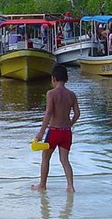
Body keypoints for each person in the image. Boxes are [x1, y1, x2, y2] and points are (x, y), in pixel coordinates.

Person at [32, 64, 81, 193]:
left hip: (54, 131)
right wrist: (70, 124)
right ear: (66, 79)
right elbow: (77, 114)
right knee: (64, 160)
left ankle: (42, 185)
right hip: (66, 132)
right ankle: (70, 186)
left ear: (53, 78)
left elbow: (48, 113)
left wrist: (41, 132)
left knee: (45, 157)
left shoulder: (51, 93)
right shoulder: (72, 95)